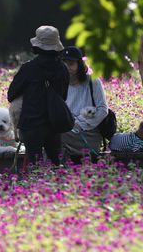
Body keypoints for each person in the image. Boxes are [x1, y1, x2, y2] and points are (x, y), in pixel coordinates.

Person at [7, 25, 70, 166]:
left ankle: (35, 188)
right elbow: (63, 96)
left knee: (34, 166)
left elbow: (11, 95)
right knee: (55, 164)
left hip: (31, 125)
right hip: (55, 124)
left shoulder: (29, 68)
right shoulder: (63, 69)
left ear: (37, 46)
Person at [60, 46, 109, 162]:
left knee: (55, 135)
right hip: (66, 130)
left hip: (88, 133)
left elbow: (102, 110)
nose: (67, 67)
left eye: (71, 63)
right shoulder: (60, 84)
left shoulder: (92, 82)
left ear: (79, 65)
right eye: (64, 63)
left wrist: (79, 123)